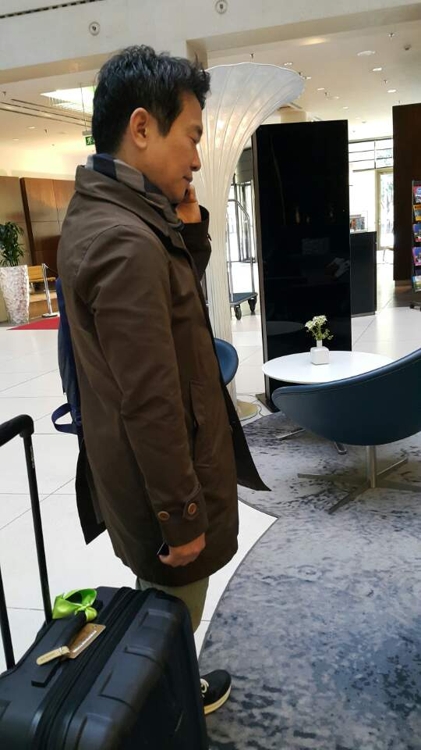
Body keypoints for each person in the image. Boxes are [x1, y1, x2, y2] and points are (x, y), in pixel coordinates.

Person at [57, 45, 268, 715]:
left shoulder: (110, 215)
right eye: (193, 136)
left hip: (132, 476)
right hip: (160, 489)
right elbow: (150, 400)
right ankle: (166, 712)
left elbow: (167, 312)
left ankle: (170, 693)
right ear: (142, 128)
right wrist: (182, 518)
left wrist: (190, 234)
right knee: (173, 612)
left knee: (163, 612)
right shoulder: (125, 241)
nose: (198, 158)